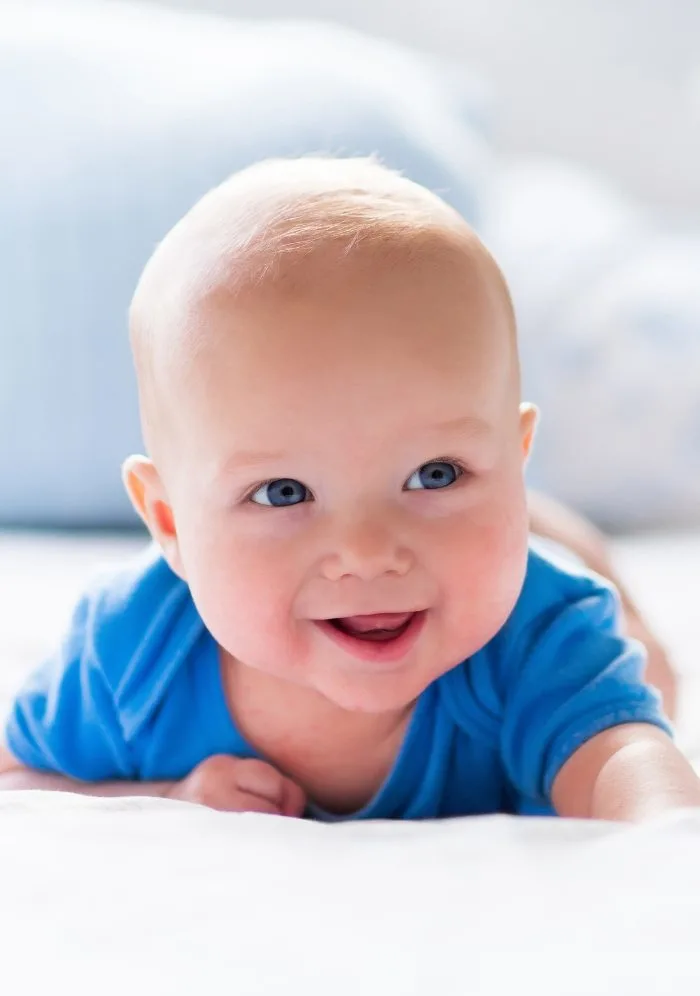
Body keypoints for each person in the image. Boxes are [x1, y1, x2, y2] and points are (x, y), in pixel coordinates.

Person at [0, 158, 690, 821]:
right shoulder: (132, 652)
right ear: (170, 522)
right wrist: (164, 796)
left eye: (436, 473)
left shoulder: (540, 631)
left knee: (648, 677)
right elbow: (20, 781)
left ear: (514, 461)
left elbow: (619, 759)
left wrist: (663, 830)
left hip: (561, 591)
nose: (366, 551)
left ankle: (566, 544)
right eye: (283, 492)